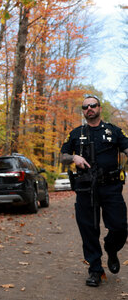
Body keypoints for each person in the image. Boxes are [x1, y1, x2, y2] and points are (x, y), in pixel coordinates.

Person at [61, 95, 128, 287]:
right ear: (83, 111)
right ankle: (95, 270)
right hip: (85, 187)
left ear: (99, 108)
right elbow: (63, 155)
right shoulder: (75, 134)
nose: (89, 108)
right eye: (85, 107)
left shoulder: (113, 131)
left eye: (92, 105)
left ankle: (111, 248)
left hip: (111, 186)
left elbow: (126, 147)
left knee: (119, 227)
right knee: (89, 230)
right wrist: (74, 158)